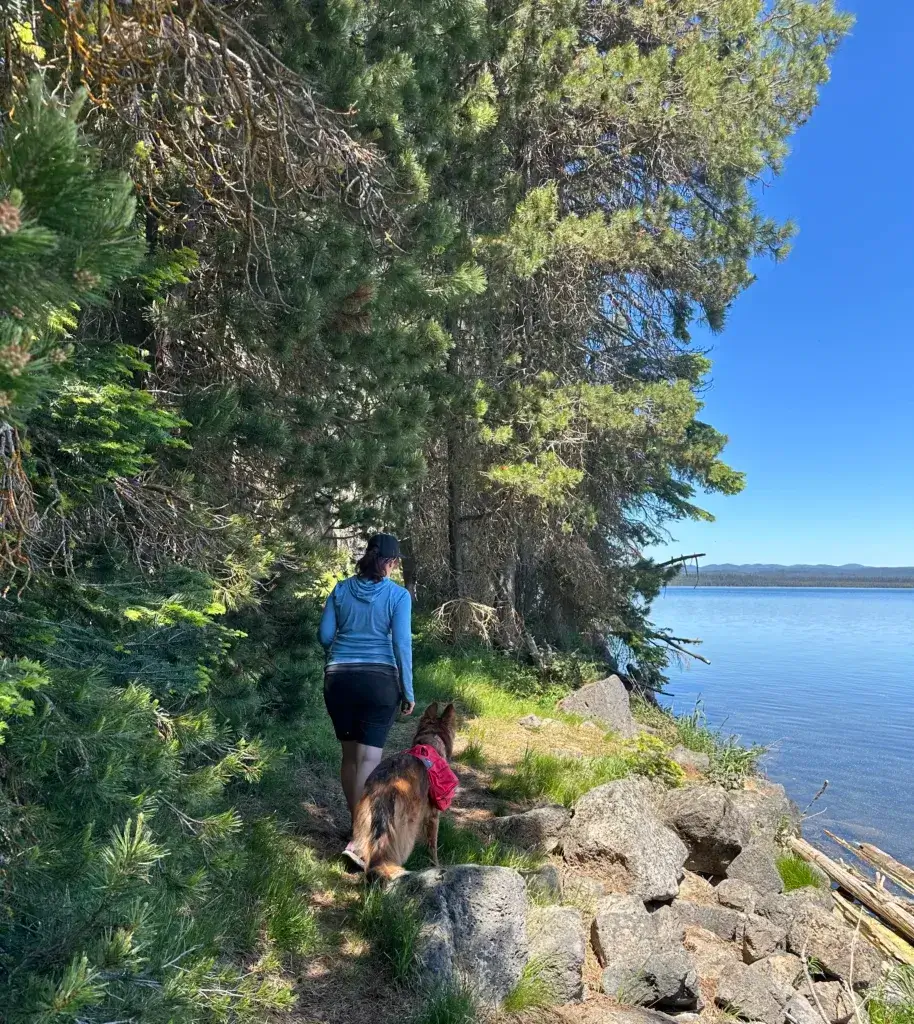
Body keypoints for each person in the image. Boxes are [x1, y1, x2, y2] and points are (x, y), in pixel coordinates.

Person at [318, 533, 414, 851]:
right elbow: (401, 645)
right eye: (395, 560)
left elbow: (325, 636)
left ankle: (355, 826)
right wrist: (407, 691)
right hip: (380, 682)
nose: (396, 565)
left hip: (339, 680)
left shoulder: (340, 590)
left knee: (350, 757)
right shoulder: (398, 597)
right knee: (370, 758)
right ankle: (361, 839)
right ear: (387, 562)